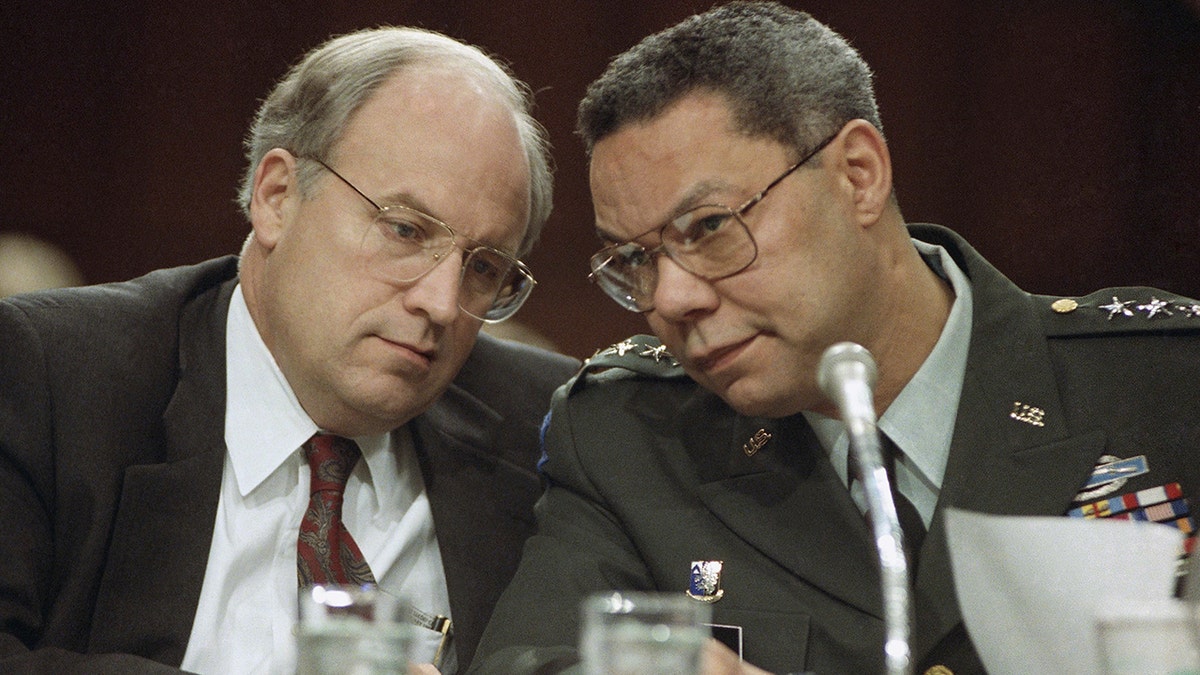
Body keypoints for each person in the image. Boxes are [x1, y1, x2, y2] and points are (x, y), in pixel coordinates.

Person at [468, 3, 1200, 674]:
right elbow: (528, 660)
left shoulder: (1163, 383)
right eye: (634, 260)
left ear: (858, 175)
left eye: (711, 228)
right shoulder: (630, 439)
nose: (670, 298)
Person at [0, 25, 579, 674]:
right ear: (276, 197)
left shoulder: (553, 428)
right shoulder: (50, 375)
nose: (442, 303)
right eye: (406, 229)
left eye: (483, 267)